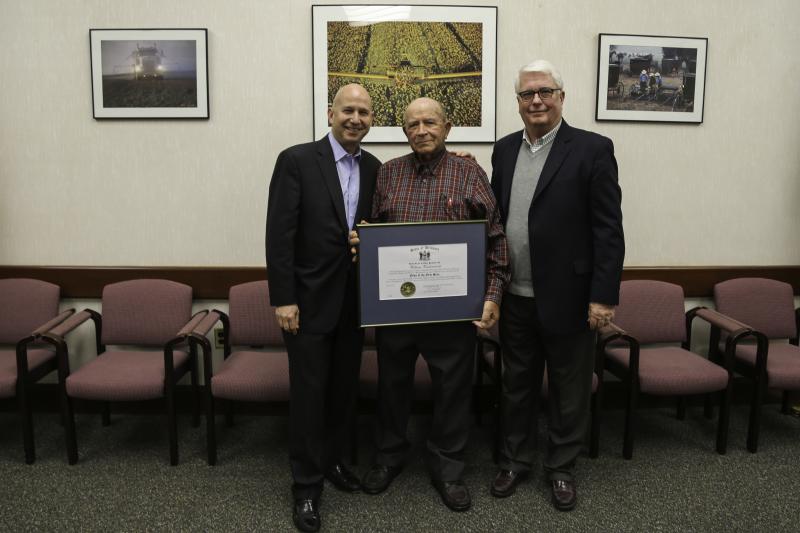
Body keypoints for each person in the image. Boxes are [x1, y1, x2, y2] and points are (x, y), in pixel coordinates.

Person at [353, 97, 509, 512]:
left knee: (454, 392)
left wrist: (492, 295)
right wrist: (362, 241)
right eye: (412, 124)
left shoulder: (469, 172)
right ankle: (388, 457)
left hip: (453, 313)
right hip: (397, 312)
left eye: (430, 122)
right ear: (403, 131)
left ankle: (448, 468)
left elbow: (495, 238)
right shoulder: (387, 173)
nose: (421, 130)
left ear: (447, 127)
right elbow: (374, 234)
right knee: (391, 388)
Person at [488, 60, 624, 511]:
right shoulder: (504, 150)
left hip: (571, 297)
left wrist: (602, 296)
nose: (537, 101)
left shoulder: (592, 149)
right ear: (518, 102)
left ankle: (561, 467)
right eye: (527, 94)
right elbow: (495, 216)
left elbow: (608, 229)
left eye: (545, 91)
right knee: (516, 386)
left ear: (561, 97)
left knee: (569, 390)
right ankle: (514, 460)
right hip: (515, 297)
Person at [265, 83, 381, 533]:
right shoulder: (296, 160)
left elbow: (379, 228)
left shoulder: (374, 168)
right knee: (309, 397)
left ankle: (332, 462)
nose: (355, 118)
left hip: (355, 304)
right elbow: (280, 234)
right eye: (348, 110)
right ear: (330, 114)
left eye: (364, 112)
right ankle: (306, 487)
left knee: (342, 392)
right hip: (307, 304)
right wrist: (284, 298)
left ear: (372, 120)